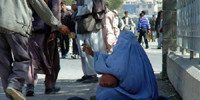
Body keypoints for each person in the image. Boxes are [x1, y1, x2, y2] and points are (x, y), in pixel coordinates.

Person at [0, 0, 70, 100]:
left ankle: (11, 96)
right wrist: (57, 25)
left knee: (4, 63)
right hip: (17, 25)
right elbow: (41, 7)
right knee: (23, 59)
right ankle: (15, 85)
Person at [82, 31, 159, 100]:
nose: (117, 43)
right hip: (149, 92)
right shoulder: (139, 50)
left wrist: (93, 54)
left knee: (104, 92)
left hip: (131, 92)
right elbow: (113, 60)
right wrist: (93, 53)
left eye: (118, 41)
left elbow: (113, 66)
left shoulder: (123, 48)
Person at [26, 0, 67, 96]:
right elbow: (55, 10)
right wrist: (54, 30)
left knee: (32, 58)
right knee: (51, 59)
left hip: (32, 28)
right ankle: (49, 86)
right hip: (47, 29)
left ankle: (30, 84)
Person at [75, 0, 105, 83]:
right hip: (84, 25)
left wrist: (77, 8)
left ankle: (92, 74)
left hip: (89, 25)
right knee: (83, 50)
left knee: (89, 49)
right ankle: (87, 74)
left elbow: (88, 8)